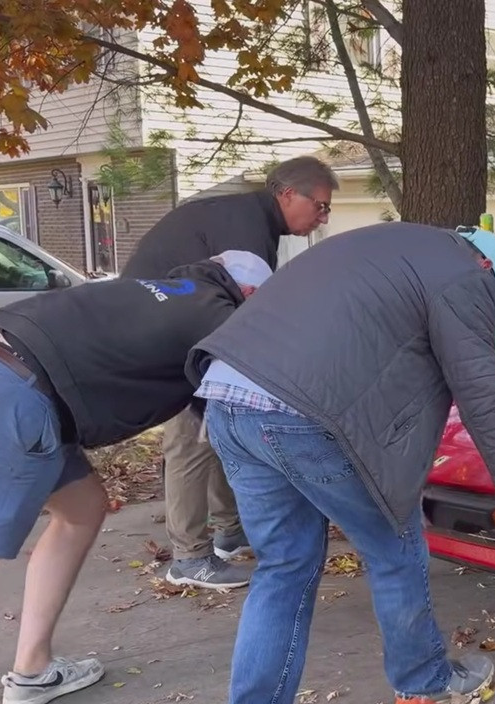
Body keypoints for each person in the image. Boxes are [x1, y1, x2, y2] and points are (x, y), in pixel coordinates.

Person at [185, 222, 495, 704]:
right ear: (489, 273)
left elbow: (372, 368)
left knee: (282, 569)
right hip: (297, 414)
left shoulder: (380, 246)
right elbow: (480, 390)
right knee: (395, 543)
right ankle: (422, 686)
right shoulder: (462, 276)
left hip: (226, 399)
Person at [0, 251, 274, 704]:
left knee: (81, 508)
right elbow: (235, 408)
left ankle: (33, 671)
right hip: (12, 398)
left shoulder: (172, 289)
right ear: (250, 295)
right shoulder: (219, 317)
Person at [121, 155, 339, 592]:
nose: (322, 218)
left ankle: (228, 531)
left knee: (219, 419)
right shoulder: (246, 230)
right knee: (190, 436)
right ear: (288, 194)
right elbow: (251, 316)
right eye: (320, 206)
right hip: (162, 331)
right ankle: (188, 557)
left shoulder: (249, 219)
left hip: (180, 323)